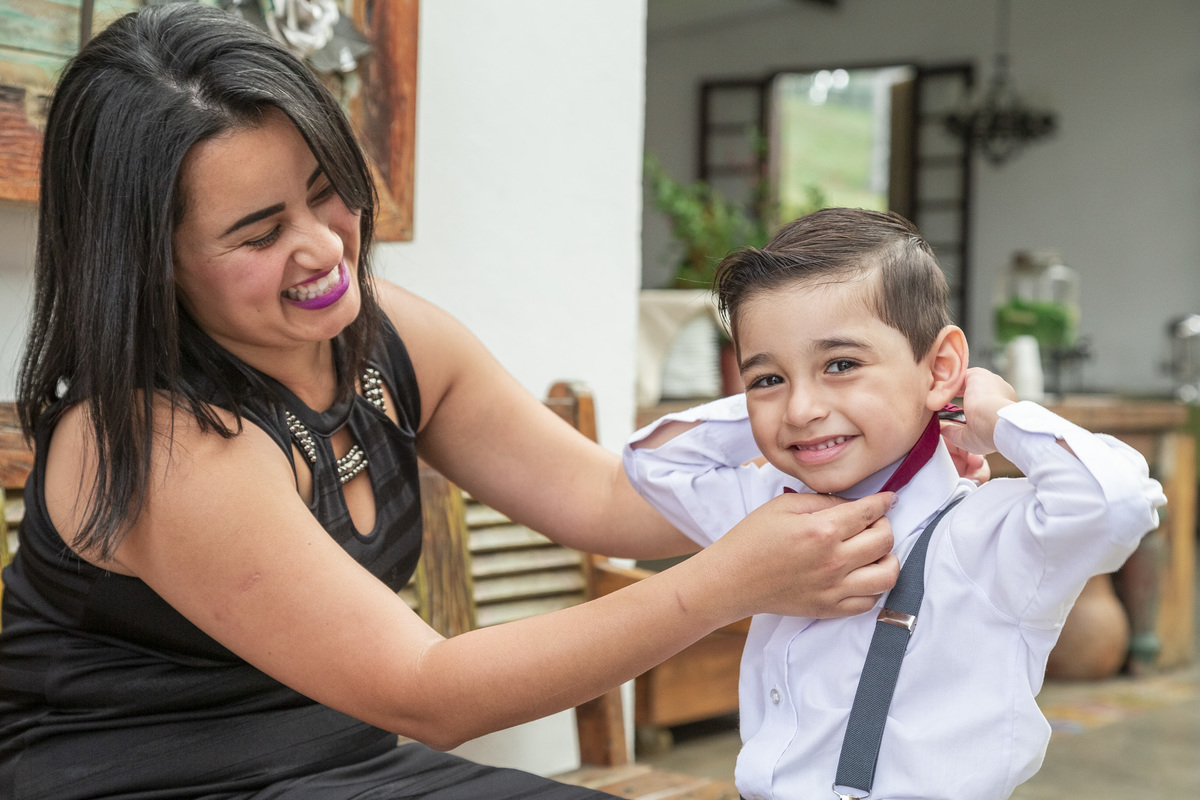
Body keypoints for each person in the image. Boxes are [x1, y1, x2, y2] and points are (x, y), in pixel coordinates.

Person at [0, 7, 917, 799]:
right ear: (150, 263)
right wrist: (726, 586)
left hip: (347, 769)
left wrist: (867, 416)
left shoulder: (383, 339)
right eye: (259, 233)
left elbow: (603, 497)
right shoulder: (156, 442)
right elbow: (427, 692)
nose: (324, 247)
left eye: (325, 192)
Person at [623, 208, 1166, 800]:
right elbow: (655, 462)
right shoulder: (767, 511)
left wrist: (992, 414)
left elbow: (1114, 503)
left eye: (841, 365)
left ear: (941, 367)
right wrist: (766, 409)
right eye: (767, 379)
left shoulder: (984, 534)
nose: (802, 410)